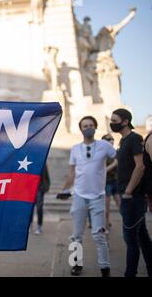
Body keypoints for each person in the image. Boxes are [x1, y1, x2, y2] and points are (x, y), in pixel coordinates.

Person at [59, 116, 116, 277]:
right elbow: (72, 173)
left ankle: (105, 268)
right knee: (76, 235)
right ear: (81, 129)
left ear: (95, 127)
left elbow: (119, 158)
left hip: (98, 197)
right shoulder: (75, 149)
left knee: (99, 234)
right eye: (85, 126)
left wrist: (109, 169)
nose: (88, 128)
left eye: (91, 125)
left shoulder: (105, 146)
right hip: (79, 196)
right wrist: (64, 190)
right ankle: (76, 265)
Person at [110, 108, 152, 277]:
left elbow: (140, 166)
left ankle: (130, 274)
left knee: (131, 240)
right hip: (129, 197)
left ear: (125, 121)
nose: (112, 123)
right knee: (142, 238)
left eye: (114, 120)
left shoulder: (135, 138)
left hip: (132, 198)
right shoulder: (123, 141)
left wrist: (127, 192)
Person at [101, 134, 120, 231]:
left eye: (112, 139)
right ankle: (106, 223)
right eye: (108, 139)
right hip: (106, 182)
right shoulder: (102, 154)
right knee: (106, 206)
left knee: (120, 204)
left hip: (115, 181)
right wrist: (114, 164)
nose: (111, 141)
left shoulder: (115, 153)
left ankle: (127, 223)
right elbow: (102, 170)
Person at [31, 165, 50, 235]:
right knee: (30, 208)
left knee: (39, 207)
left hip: (39, 187)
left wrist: (46, 187)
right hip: (31, 187)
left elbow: (46, 175)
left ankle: (39, 226)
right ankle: (30, 225)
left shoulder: (43, 162)